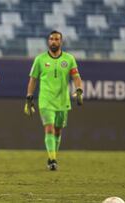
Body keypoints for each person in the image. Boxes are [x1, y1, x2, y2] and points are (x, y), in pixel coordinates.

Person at [24, 30, 83, 171]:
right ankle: (52, 159)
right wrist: (29, 97)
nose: (54, 41)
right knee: (49, 128)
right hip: (45, 100)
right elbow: (33, 79)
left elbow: (76, 77)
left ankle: (53, 155)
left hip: (63, 101)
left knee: (57, 131)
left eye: (56, 39)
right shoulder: (40, 59)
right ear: (48, 41)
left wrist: (79, 89)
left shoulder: (69, 59)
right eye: (51, 39)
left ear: (61, 42)